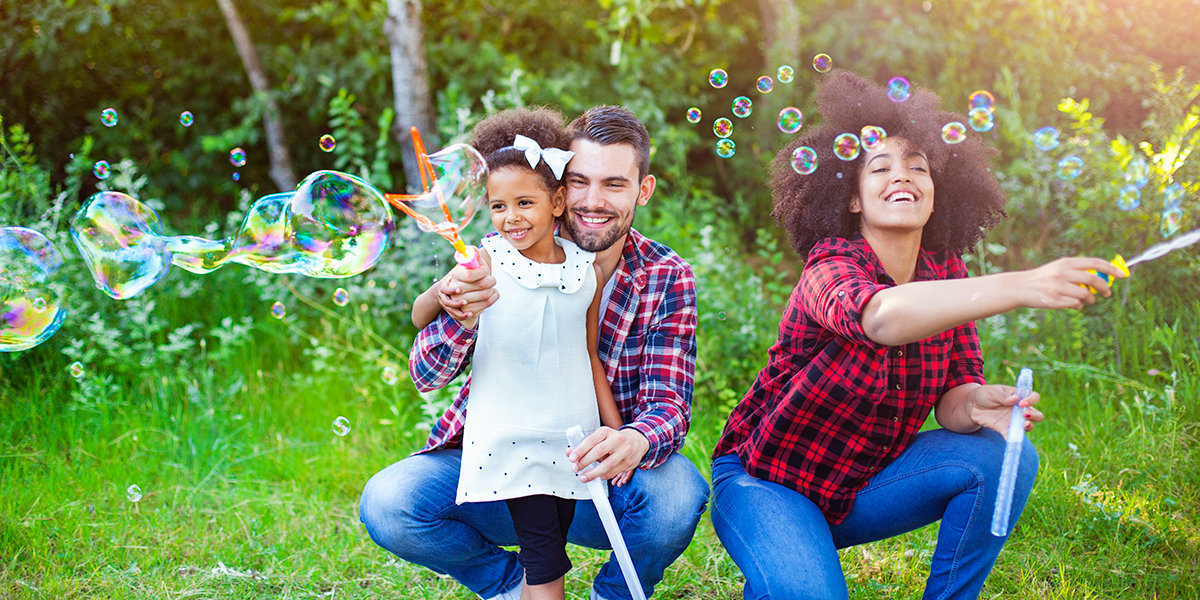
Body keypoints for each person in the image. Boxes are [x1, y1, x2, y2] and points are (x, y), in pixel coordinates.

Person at [709, 70, 1125, 600]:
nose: (901, 176)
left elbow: (952, 397)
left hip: (860, 485)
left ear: (936, 194)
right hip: (766, 483)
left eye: (918, 167)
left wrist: (977, 405)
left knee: (1006, 453)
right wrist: (1023, 284)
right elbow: (880, 317)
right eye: (879, 167)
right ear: (854, 200)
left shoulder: (945, 274)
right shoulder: (831, 264)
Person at [360, 105, 708, 600]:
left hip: (594, 474)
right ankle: (507, 589)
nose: (593, 201)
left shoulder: (666, 276)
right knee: (390, 502)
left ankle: (610, 595)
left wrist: (632, 439)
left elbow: (668, 404)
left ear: (642, 190)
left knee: (676, 496)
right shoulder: (504, 253)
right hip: (500, 459)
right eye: (581, 181)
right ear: (560, 190)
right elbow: (425, 374)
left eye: (614, 184)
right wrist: (461, 314)